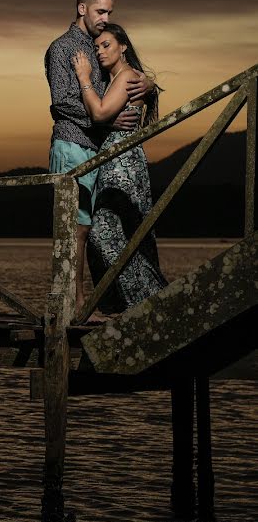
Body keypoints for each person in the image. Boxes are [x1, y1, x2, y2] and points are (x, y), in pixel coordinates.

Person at [45, 0, 151, 317]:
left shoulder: (101, 46)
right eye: (100, 10)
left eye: (109, 12)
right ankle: (73, 304)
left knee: (95, 227)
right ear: (82, 9)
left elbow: (123, 81)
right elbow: (62, 102)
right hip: (73, 144)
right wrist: (105, 121)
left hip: (100, 149)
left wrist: (146, 82)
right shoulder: (63, 48)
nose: (105, 17)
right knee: (75, 228)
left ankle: (104, 300)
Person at [71, 23, 168, 314]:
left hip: (122, 162)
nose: (100, 51)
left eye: (107, 45)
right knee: (128, 233)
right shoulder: (121, 77)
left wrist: (83, 77)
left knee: (104, 233)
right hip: (118, 159)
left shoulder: (126, 75)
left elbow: (100, 112)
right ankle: (143, 303)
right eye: (97, 46)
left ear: (123, 46)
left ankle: (142, 302)